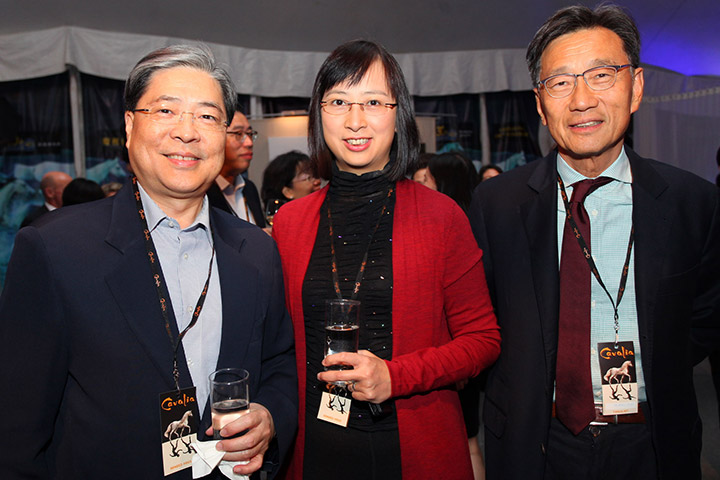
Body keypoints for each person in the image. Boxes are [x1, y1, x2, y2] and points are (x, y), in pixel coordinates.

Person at [0, 44, 297, 479]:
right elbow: (16, 429)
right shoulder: (55, 248)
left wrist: (270, 417)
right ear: (128, 126)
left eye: (208, 116)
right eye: (165, 111)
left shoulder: (256, 251)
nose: (187, 131)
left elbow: (278, 365)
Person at [469, 5, 720, 479]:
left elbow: (705, 317)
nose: (582, 99)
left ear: (636, 87)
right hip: (535, 443)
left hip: (653, 442)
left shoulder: (693, 203)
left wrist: (657, 360)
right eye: (560, 82)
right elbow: (479, 322)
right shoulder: (495, 205)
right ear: (540, 105)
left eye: (602, 75)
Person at [272, 39, 500, 480]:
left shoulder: (441, 216)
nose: (355, 120)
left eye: (373, 102)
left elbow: (483, 338)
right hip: (315, 447)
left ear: (399, 114)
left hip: (414, 445)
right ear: (319, 114)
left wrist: (398, 377)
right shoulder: (290, 223)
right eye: (338, 101)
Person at [207, 111, 266, 227]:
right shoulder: (202, 193)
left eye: (250, 133)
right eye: (238, 134)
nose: (249, 143)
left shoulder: (249, 188)